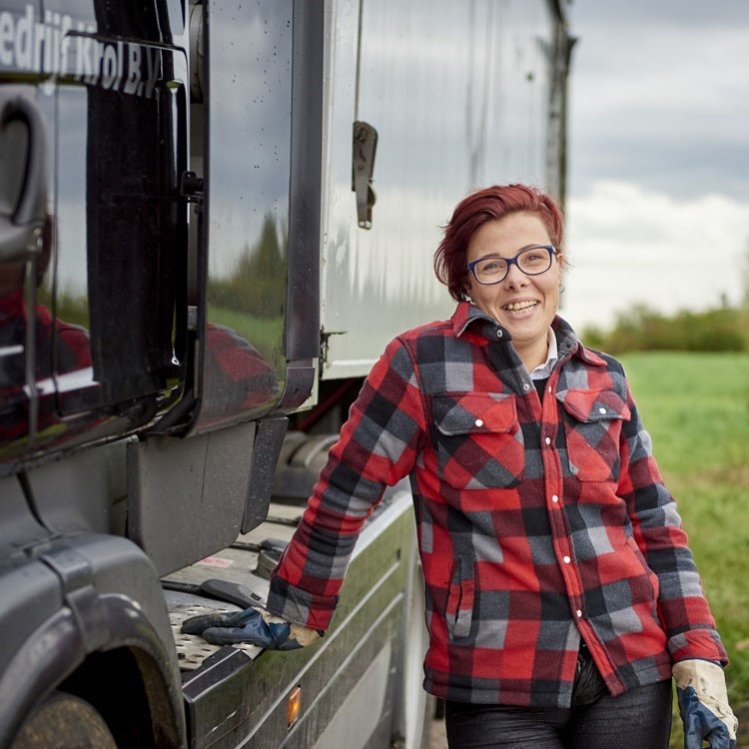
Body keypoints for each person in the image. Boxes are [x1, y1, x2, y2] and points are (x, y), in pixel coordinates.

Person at [183, 184, 737, 748]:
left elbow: (654, 519)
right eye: (493, 266)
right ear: (466, 283)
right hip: (497, 685)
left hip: (629, 673)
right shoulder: (420, 365)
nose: (518, 279)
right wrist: (298, 607)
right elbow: (347, 490)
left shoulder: (604, 377)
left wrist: (697, 650)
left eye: (534, 258)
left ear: (558, 266)